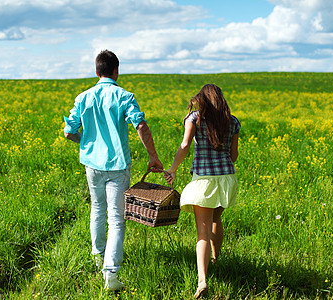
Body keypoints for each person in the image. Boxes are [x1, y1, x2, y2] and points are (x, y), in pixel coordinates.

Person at [63, 50, 163, 291]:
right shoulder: (124, 96)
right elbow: (141, 125)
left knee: (97, 210)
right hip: (118, 166)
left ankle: (97, 258)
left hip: (92, 165)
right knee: (117, 219)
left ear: (97, 72)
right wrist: (153, 156)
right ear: (116, 71)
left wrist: (87, 143)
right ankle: (111, 273)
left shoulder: (82, 97)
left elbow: (68, 132)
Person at [164, 84, 240, 299]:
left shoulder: (194, 118)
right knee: (217, 219)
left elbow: (186, 144)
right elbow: (233, 156)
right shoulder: (232, 121)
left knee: (202, 233)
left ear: (202, 99)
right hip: (226, 179)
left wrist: (173, 169)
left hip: (204, 181)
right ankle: (216, 259)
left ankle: (202, 281)